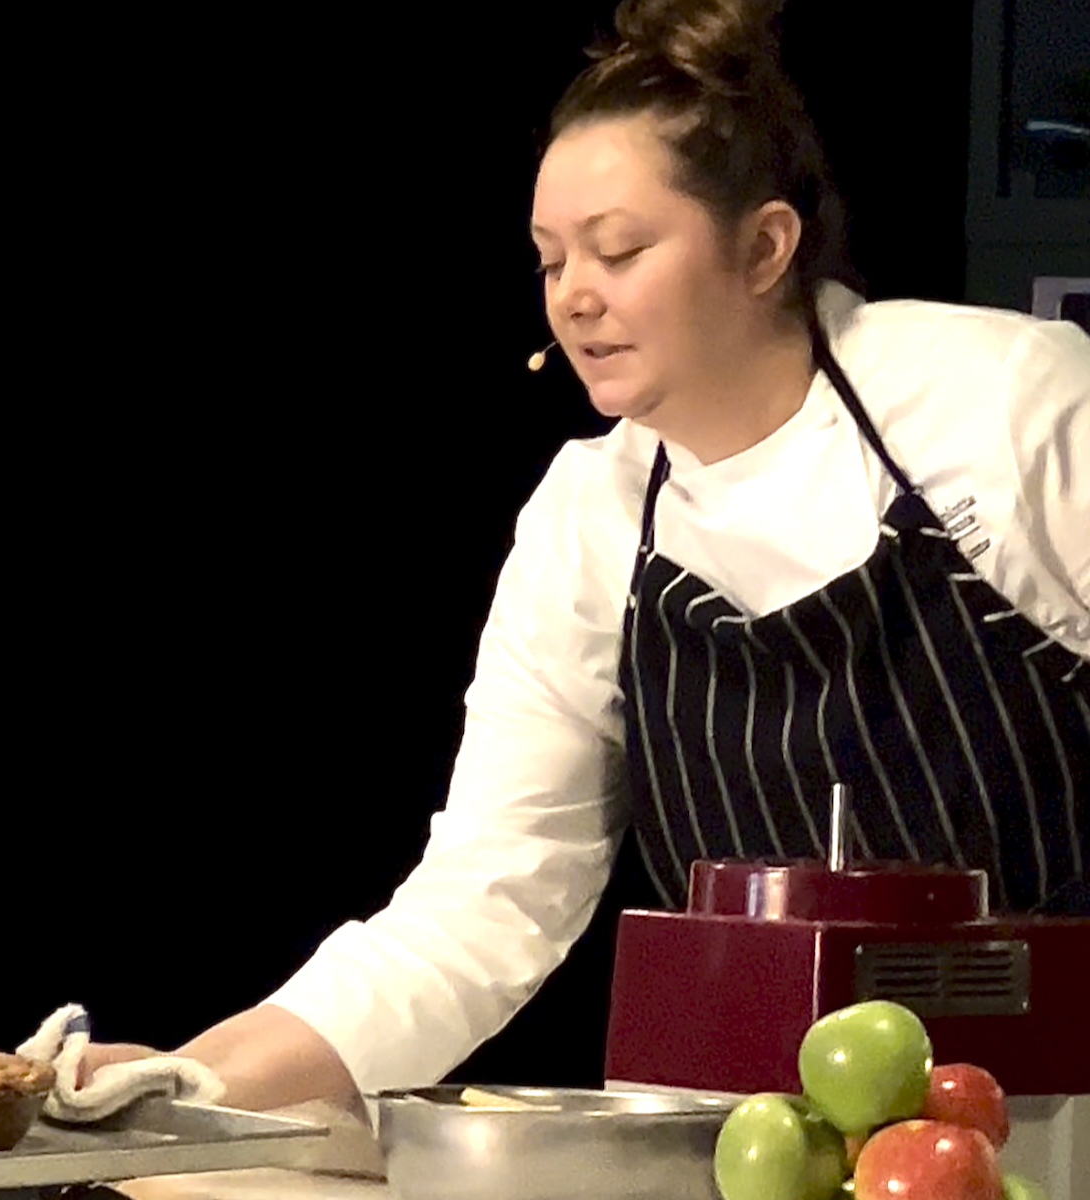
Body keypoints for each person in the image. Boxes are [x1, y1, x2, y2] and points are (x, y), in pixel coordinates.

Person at [85, 0, 1090, 1118]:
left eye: (618, 251)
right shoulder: (589, 514)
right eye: (550, 260)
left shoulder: (999, 402)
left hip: (1057, 1130)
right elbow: (487, 900)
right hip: (751, 1147)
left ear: (763, 247)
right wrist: (184, 1087)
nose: (573, 295)